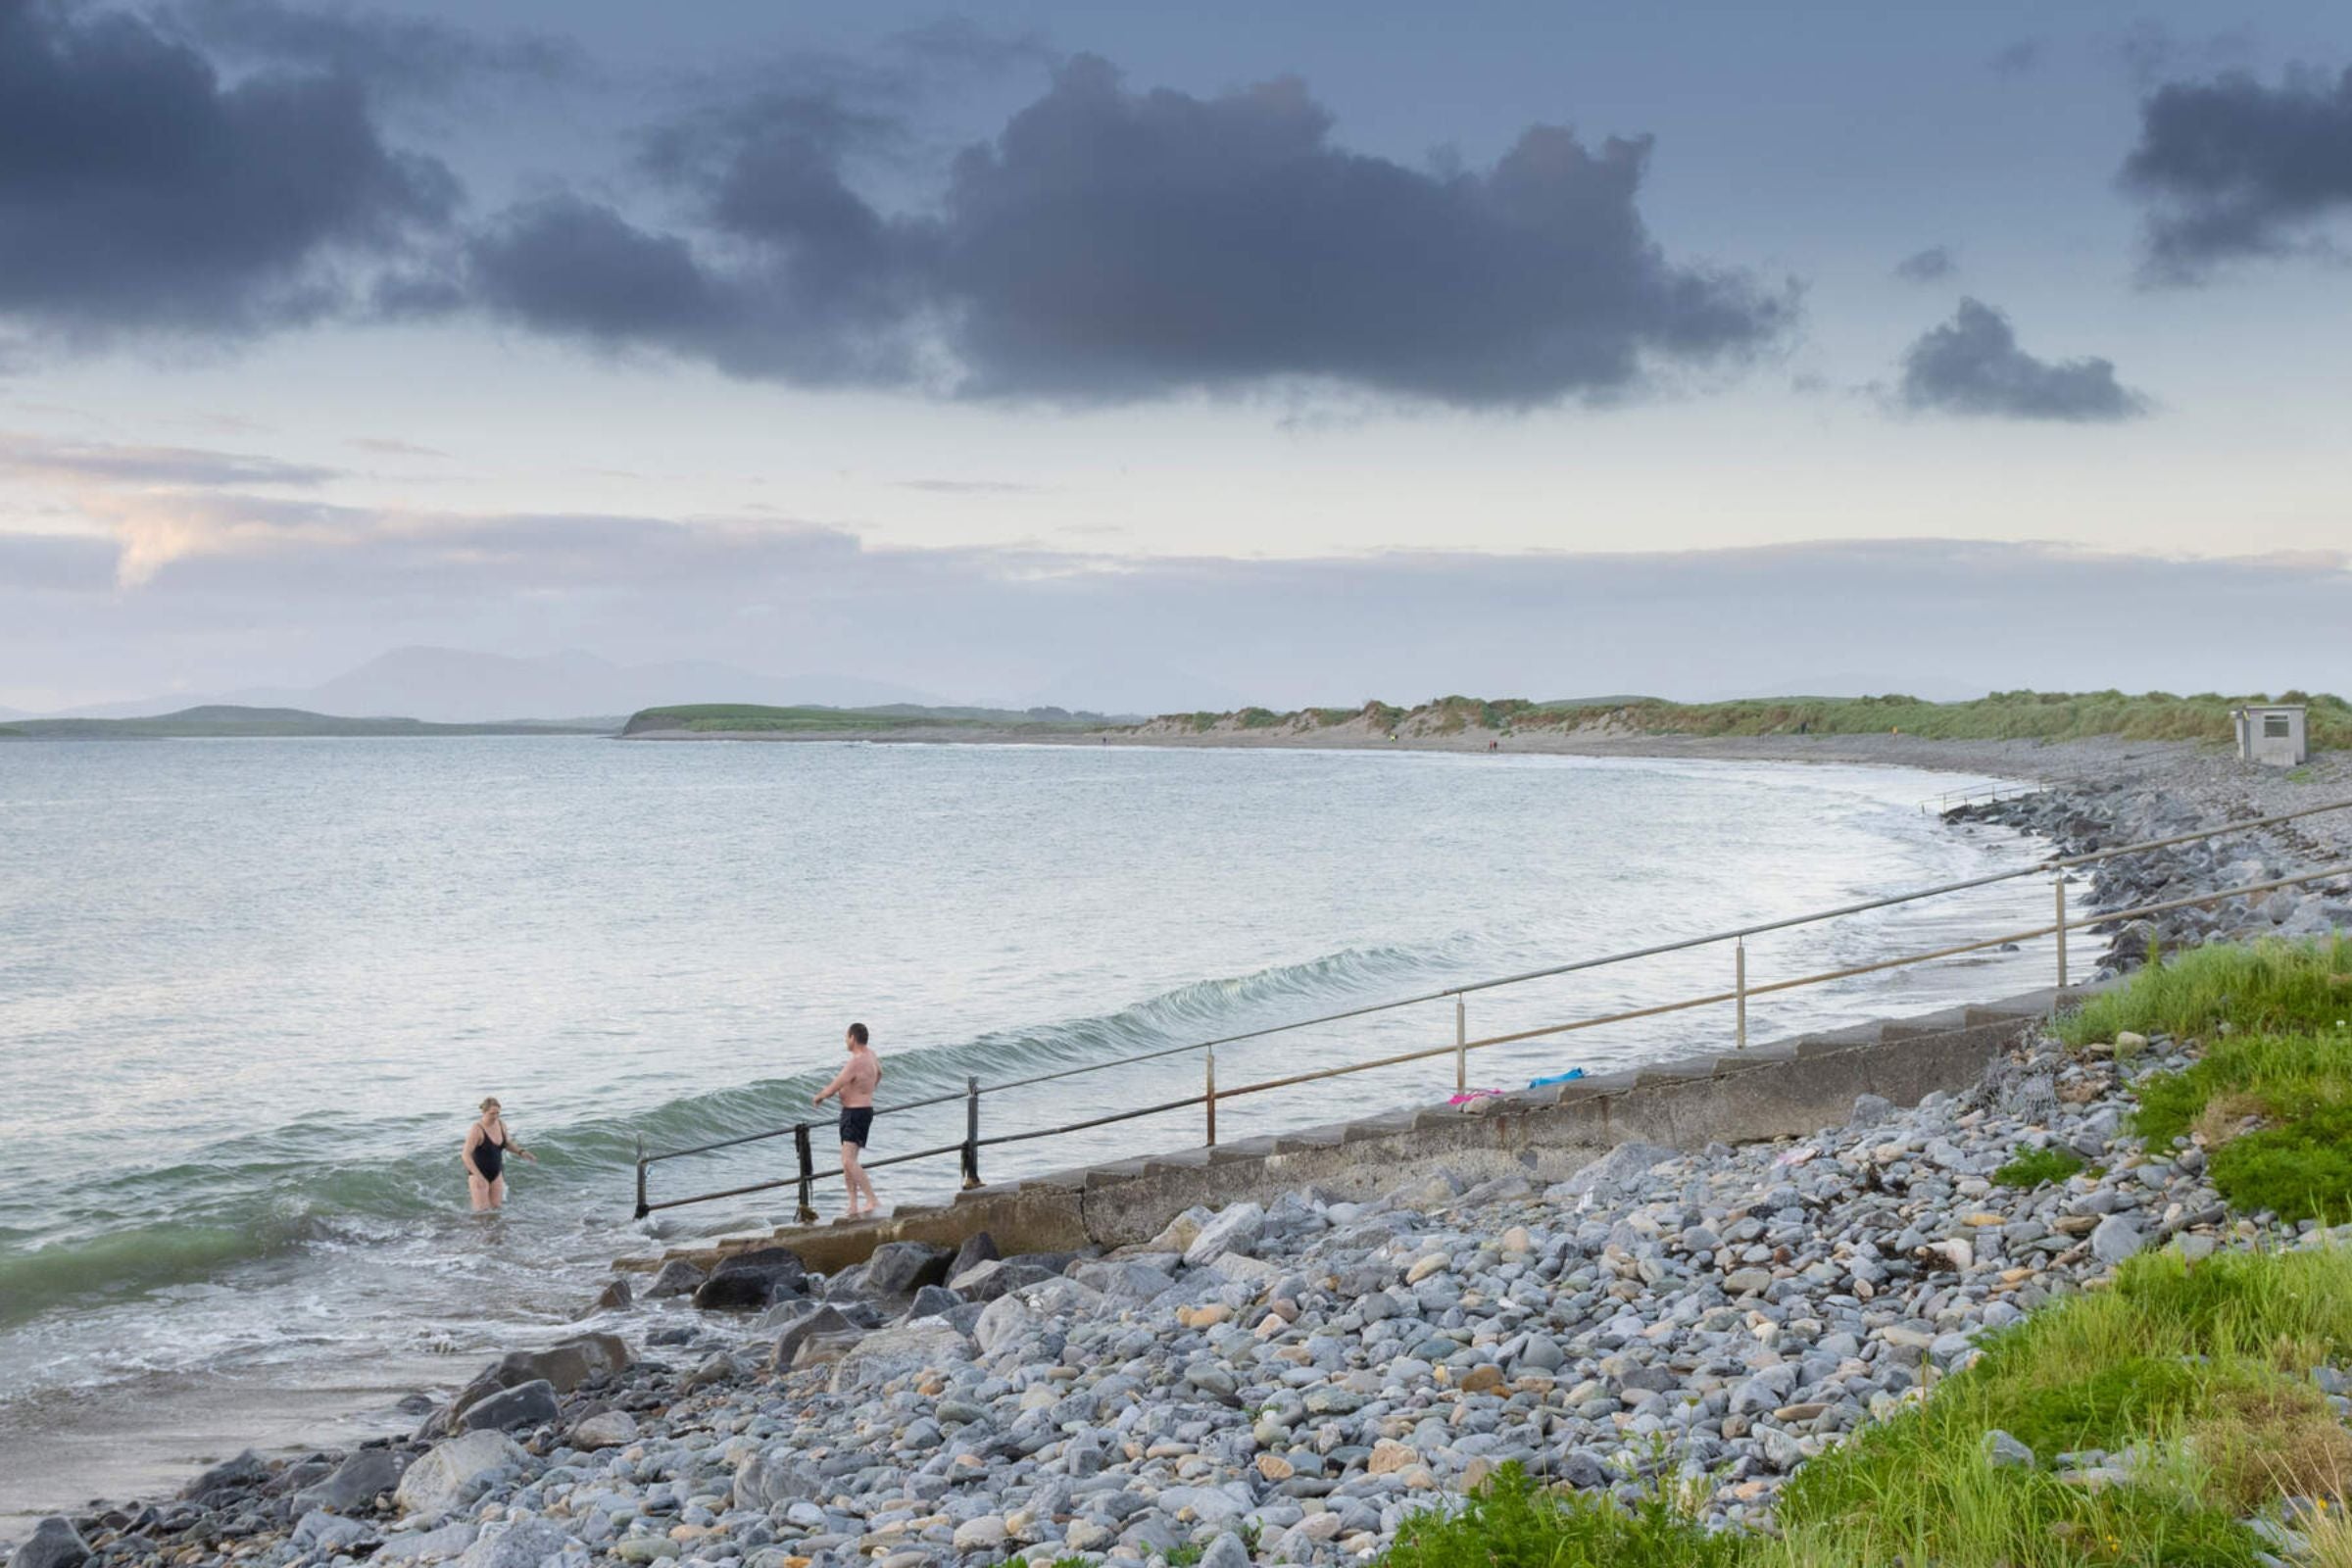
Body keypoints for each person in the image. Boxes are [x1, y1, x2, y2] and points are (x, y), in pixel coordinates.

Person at [813, 1022, 882, 1216]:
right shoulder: (871, 1055)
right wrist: (866, 1090)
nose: (845, 1040)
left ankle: (872, 1199)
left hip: (855, 1113)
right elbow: (880, 1073)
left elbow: (835, 1085)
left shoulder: (857, 1061)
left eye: (846, 1036)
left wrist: (819, 1097)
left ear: (853, 1038)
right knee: (847, 1161)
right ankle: (853, 1204)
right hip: (862, 1110)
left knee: (848, 1160)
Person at [464, 1097, 535, 1211]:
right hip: (478, 1174)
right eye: (492, 1114)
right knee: (481, 1212)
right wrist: (479, 1177)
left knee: (497, 1208)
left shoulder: (501, 1124)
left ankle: (497, 1229)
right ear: (484, 1112)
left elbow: (506, 1143)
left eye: (498, 1113)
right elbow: (465, 1155)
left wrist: (521, 1152)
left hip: (496, 1172)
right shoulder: (477, 1129)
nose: (495, 1116)